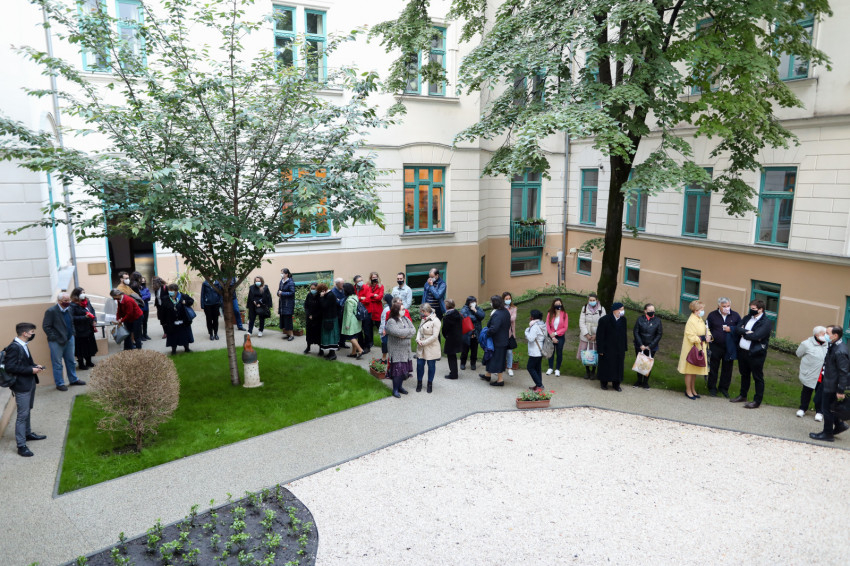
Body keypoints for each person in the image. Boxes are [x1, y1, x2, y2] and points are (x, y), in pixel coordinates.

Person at [5, 323, 46, 457]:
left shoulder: (23, 345)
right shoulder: (14, 347)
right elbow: (10, 367)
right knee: (22, 415)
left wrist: (35, 366)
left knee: (27, 410)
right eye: (32, 332)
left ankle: (27, 434)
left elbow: (24, 363)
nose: (33, 334)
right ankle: (21, 445)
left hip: (29, 382)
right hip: (21, 385)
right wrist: (30, 370)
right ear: (25, 333)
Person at [810, 326, 850, 442]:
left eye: (827, 333)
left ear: (835, 336)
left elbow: (843, 372)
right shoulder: (834, 345)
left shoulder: (840, 351)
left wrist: (840, 390)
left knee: (826, 409)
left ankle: (827, 433)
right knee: (819, 400)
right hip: (827, 381)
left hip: (832, 385)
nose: (824, 335)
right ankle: (839, 425)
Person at [730, 299, 772, 409]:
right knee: (744, 375)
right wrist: (746, 332)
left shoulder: (766, 322)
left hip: (756, 354)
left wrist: (745, 334)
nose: (751, 310)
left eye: (753, 309)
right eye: (751, 308)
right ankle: (743, 395)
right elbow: (737, 329)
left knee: (757, 377)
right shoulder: (747, 317)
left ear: (760, 309)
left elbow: (756, 336)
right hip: (743, 352)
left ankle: (757, 401)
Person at [42, 292, 85, 391]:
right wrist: (54, 337)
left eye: (69, 300)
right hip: (56, 342)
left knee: (71, 361)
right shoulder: (51, 311)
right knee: (57, 364)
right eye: (65, 300)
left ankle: (73, 379)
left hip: (69, 339)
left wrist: (72, 333)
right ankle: (60, 383)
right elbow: (46, 326)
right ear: (59, 301)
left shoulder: (69, 309)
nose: (68, 302)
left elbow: (71, 322)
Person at [705, 297, 741, 398]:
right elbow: (707, 328)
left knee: (727, 369)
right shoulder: (712, 315)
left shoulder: (735, 315)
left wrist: (731, 329)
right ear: (719, 306)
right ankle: (712, 388)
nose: (726, 308)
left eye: (728, 306)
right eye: (724, 306)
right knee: (713, 367)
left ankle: (724, 388)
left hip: (729, 347)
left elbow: (740, 328)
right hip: (715, 346)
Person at [677, 300, 711, 400]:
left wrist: (709, 336)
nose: (703, 311)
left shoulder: (699, 319)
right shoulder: (691, 321)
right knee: (689, 371)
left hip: (699, 347)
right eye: (701, 309)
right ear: (696, 310)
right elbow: (691, 336)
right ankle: (688, 390)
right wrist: (702, 338)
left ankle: (693, 389)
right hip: (691, 349)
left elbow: (706, 330)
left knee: (694, 371)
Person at [796, 326, 829, 418]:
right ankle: (803, 408)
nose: (826, 335)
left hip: (822, 374)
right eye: (824, 334)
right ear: (817, 335)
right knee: (806, 391)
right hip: (810, 373)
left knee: (820, 393)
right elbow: (798, 354)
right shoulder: (806, 344)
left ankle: (819, 412)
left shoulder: (829, 344)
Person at [385, 302, 415, 398]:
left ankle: (400, 387)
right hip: (396, 350)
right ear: (396, 310)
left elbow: (413, 330)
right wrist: (407, 332)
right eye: (402, 309)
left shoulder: (405, 319)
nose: (404, 311)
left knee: (404, 370)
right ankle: (395, 389)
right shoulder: (391, 321)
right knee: (397, 371)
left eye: (404, 309)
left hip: (406, 350)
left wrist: (404, 335)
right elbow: (397, 332)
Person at [596, 302, 627, 391]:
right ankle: (604, 383)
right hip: (607, 347)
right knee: (606, 365)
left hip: (619, 348)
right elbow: (600, 336)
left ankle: (616, 384)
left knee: (618, 366)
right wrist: (600, 349)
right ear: (615, 310)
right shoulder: (604, 320)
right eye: (621, 309)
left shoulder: (623, 320)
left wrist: (624, 347)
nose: (622, 311)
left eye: (623, 309)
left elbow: (624, 334)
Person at [480, 295, 510, 386]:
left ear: (495, 303)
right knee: (492, 358)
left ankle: (500, 380)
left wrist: (486, 333)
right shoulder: (505, 311)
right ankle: (487, 375)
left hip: (497, 341)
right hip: (503, 339)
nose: (490, 303)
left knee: (497, 360)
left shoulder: (497, 314)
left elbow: (494, 328)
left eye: (491, 302)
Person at [632, 303, 662, 389]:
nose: (652, 312)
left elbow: (659, 334)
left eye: (653, 310)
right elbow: (636, 332)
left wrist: (650, 346)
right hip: (640, 345)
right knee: (639, 362)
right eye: (650, 310)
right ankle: (639, 381)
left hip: (651, 347)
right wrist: (640, 344)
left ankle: (645, 382)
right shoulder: (640, 319)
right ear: (645, 311)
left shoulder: (657, 321)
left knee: (648, 364)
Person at [577, 293, 605, 379]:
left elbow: (603, 323)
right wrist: (586, 334)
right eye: (590, 300)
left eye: (593, 300)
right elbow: (581, 322)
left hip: (596, 335)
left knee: (595, 353)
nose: (592, 301)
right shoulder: (584, 308)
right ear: (588, 300)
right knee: (586, 353)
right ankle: (587, 371)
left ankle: (593, 371)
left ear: (597, 300)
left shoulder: (602, 309)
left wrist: (596, 335)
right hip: (586, 336)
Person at [416, 303, 442, 393]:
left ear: (425, 311)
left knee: (431, 366)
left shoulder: (436, 320)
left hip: (431, 347)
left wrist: (423, 342)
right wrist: (417, 339)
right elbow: (419, 330)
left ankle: (429, 384)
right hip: (421, 346)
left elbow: (435, 336)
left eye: (421, 311)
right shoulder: (423, 318)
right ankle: (419, 383)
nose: (420, 313)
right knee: (419, 365)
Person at [162, 284, 195, 354]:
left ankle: (187, 348)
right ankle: (173, 350)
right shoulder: (166, 299)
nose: (170, 292)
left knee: (185, 335)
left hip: (183, 321)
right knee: (173, 336)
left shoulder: (182, 296)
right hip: (171, 322)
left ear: (176, 291)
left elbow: (191, 301)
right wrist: (164, 322)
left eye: (172, 290)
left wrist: (185, 302)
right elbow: (163, 311)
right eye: (169, 290)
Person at [69, 287, 97, 370]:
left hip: (89, 327)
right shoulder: (73, 305)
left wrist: (94, 319)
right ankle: (81, 364)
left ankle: (89, 361)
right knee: (81, 348)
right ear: (76, 295)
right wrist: (84, 317)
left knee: (89, 345)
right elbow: (72, 318)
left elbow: (92, 310)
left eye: (84, 292)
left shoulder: (87, 301)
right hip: (80, 330)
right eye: (81, 293)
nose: (83, 294)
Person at [460, 296, 485, 371]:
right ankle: (462, 363)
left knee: (474, 350)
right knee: (465, 350)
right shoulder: (464, 309)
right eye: (472, 302)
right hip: (467, 333)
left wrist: (475, 310)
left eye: (475, 302)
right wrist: (476, 317)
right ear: (468, 302)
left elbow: (482, 316)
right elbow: (466, 317)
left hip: (476, 332)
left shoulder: (478, 308)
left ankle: (473, 363)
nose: (474, 303)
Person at [545, 298, 568, 376]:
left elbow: (565, 327)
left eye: (559, 304)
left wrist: (555, 333)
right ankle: (550, 368)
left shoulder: (564, 314)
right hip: (551, 335)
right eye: (556, 304)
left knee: (559, 352)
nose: (558, 305)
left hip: (560, 336)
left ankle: (557, 369)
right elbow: (547, 325)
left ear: (561, 304)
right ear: (553, 305)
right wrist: (552, 336)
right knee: (550, 352)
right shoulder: (550, 313)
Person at [525, 309, 547, 391]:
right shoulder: (543, 324)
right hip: (541, 349)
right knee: (537, 368)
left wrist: (526, 331)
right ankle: (538, 385)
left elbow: (531, 338)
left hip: (535, 351)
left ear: (533, 317)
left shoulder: (535, 326)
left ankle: (540, 385)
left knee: (530, 367)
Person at [341, 282, 365, 359]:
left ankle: (360, 350)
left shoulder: (349, 300)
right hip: (357, 320)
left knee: (350, 337)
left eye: (344, 289)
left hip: (351, 321)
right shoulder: (355, 297)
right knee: (354, 336)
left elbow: (349, 313)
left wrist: (347, 324)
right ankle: (353, 352)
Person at [318, 283, 341, 360]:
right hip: (329, 318)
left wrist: (321, 297)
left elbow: (324, 306)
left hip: (330, 319)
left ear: (323, 290)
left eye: (320, 291)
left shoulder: (330, 295)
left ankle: (333, 354)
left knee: (331, 336)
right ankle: (331, 353)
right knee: (329, 336)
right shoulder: (329, 294)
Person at [442, 299, 463, 380]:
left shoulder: (447, 317)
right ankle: (454, 372)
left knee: (451, 357)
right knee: (453, 356)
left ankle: (453, 374)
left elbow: (444, 330)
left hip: (450, 338)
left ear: (446, 306)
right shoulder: (458, 314)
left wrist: (446, 336)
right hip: (458, 337)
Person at [363, 272, 385, 352]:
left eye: (376, 277)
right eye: (373, 277)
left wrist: (371, 296)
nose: (374, 279)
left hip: (377, 311)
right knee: (368, 329)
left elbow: (380, 297)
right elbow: (367, 296)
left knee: (381, 328)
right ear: (370, 278)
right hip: (369, 310)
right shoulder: (367, 285)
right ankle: (368, 345)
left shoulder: (381, 286)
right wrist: (374, 295)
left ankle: (385, 344)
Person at [303, 282, 322, 354]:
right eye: (311, 288)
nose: (312, 290)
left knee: (318, 334)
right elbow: (306, 305)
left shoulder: (320, 296)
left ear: (317, 288)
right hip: (309, 318)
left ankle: (321, 349)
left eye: (314, 288)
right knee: (309, 333)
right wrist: (309, 314)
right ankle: (308, 347)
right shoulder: (309, 295)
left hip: (318, 319)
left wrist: (314, 316)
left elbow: (321, 308)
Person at [277, 268, 296, 341]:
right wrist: (278, 293)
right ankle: (288, 334)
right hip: (282, 304)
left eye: (282, 273)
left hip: (288, 304)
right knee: (284, 320)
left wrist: (282, 293)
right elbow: (279, 290)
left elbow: (292, 293)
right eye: (281, 273)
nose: (281, 274)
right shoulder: (281, 281)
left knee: (288, 320)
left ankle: (291, 335)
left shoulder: (290, 282)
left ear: (287, 274)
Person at [502, 292, 518, 377]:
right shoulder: (501, 308)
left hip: (510, 333)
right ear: (503, 299)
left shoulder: (513, 308)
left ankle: (509, 367)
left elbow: (513, 318)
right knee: (501, 351)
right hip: (501, 333)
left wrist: (504, 316)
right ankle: (500, 367)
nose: (508, 300)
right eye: (506, 299)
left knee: (509, 351)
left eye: (509, 299)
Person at [331, 278, 347, 349]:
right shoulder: (333, 292)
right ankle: (336, 344)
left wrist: (341, 300)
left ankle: (342, 343)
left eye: (343, 283)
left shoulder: (344, 290)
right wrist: (343, 300)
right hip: (337, 313)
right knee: (337, 329)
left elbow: (344, 300)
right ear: (337, 284)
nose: (343, 285)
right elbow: (338, 303)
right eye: (341, 283)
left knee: (343, 328)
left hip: (343, 312)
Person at [138, 276, 152, 340]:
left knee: (145, 322)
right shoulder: (137, 289)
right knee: (140, 322)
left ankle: (145, 334)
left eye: (144, 281)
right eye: (142, 281)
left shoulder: (146, 289)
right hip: (140, 308)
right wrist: (144, 297)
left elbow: (149, 297)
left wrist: (143, 297)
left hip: (146, 307)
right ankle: (140, 336)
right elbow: (138, 298)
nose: (143, 282)